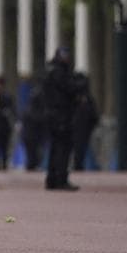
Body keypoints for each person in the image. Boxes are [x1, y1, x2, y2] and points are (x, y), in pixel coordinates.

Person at [42, 48, 80, 191]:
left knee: (54, 148)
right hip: (61, 115)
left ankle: (51, 179)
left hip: (52, 115)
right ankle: (60, 179)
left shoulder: (50, 71)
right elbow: (69, 89)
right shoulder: (60, 73)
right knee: (62, 149)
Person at [71, 72, 100, 171]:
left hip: (85, 127)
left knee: (82, 148)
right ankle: (78, 165)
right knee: (78, 148)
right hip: (77, 127)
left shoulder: (87, 98)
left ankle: (80, 165)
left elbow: (93, 114)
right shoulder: (76, 97)